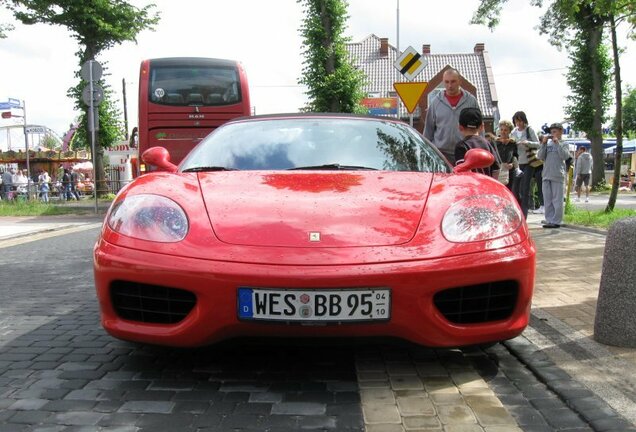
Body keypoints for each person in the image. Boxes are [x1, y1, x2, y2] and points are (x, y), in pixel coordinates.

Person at [423, 68, 479, 165]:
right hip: (441, 154)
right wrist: (425, 151)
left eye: (453, 82)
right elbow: (428, 130)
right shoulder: (435, 102)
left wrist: (479, 148)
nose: (450, 85)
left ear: (459, 81)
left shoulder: (471, 101)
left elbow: (479, 128)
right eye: (447, 82)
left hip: (465, 153)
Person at [537, 122, 571, 228]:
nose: (552, 134)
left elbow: (565, 156)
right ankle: (549, 219)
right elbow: (540, 156)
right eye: (551, 132)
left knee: (557, 199)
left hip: (557, 174)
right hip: (546, 174)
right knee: (547, 199)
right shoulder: (547, 144)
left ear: (561, 132)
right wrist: (543, 144)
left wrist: (557, 143)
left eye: (555, 131)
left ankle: (556, 221)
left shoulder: (564, 144)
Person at [510, 111, 541, 218]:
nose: (518, 123)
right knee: (515, 189)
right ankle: (517, 214)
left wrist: (527, 142)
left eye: (520, 120)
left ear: (524, 120)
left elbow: (538, 144)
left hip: (529, 162)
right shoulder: (513, 133)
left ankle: (524, 215)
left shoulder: (529, 130)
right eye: (516, 121)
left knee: (525, 188)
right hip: (517, 164)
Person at [454, 107, 499, 177]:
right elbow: (496, 169)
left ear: (460, 127)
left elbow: (462, 172)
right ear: (482, 127)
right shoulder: (488, 144)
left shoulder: (461, 146)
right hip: (486, 186)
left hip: (470, 186)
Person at [494, 119, 520, 193]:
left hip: (509, 172)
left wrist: (512, 164)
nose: (503, 132)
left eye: (505, 130)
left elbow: (515, 156)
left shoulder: (512, 143)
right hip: (497, 171)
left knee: (508, 192)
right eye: (501, 129)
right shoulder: (495, 143)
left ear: (509, 131)